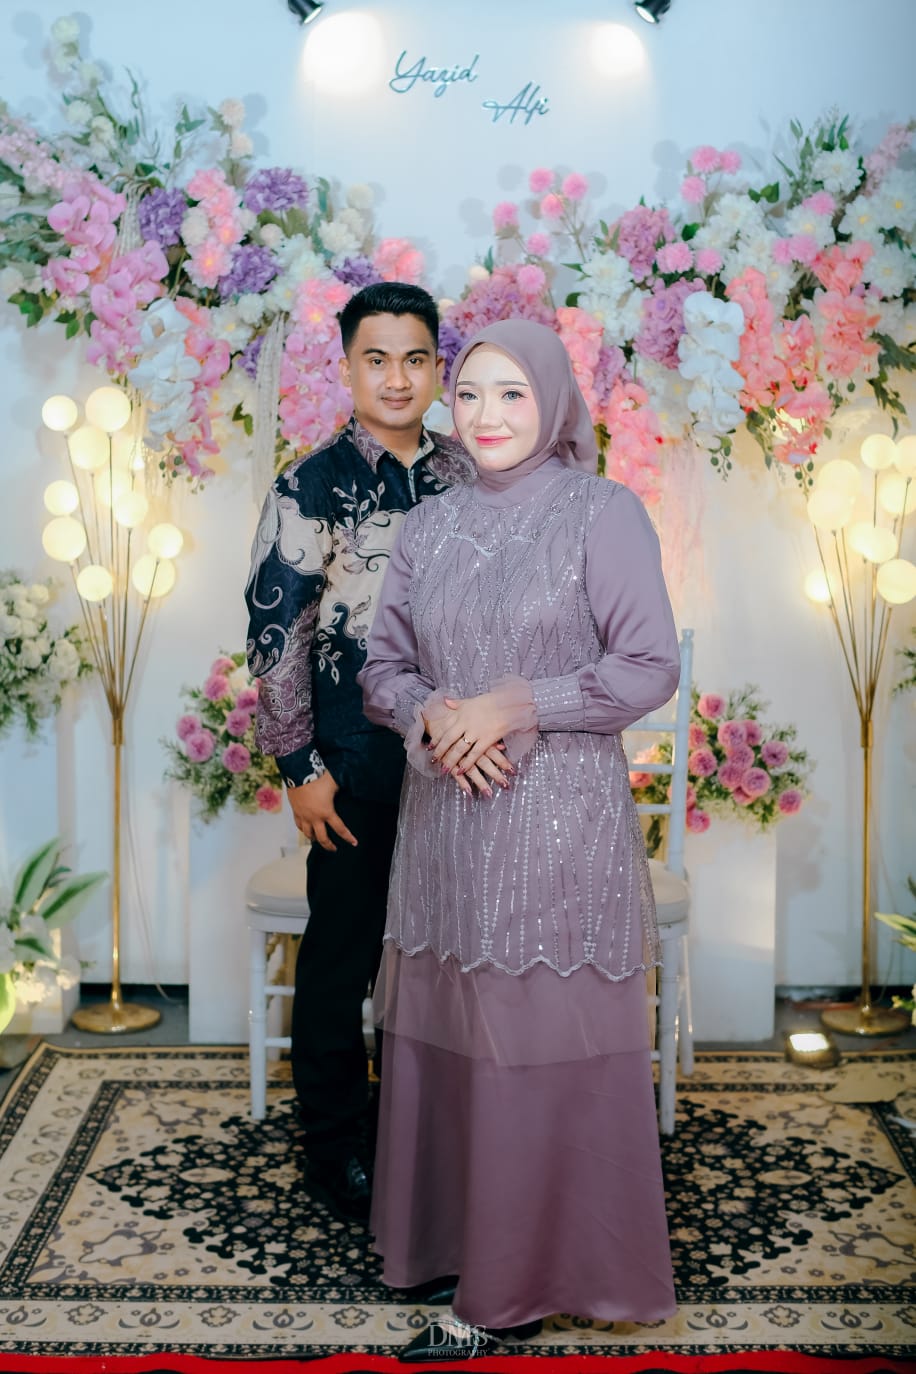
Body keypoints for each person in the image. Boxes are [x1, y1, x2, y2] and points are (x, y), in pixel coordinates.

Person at [358, 318, 681, 1353]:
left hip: (558, 829)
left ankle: (522, 1284)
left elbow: (647, 666)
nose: (486, 415)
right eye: (470, 394)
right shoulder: (427, 526)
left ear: (553, 401)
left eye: (512, 394)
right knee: (456, 1040)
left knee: (539, 1044)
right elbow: (382, 670)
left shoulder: (603, 512)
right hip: (448, 822)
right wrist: (433, 718)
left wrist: (514, 703)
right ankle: (455, 1246)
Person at [244, 282, 473, 1225]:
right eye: (376, 359)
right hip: (353, 770)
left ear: (438, 369)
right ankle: (337, 1148)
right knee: (342, 966)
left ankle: (440, 1137)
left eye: (415, 359)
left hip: (463, 766)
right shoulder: (311, 483)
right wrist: (300, 770)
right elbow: (275, 635)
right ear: (346, 368)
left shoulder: (471, 473)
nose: (396, 378)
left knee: (450, 960)